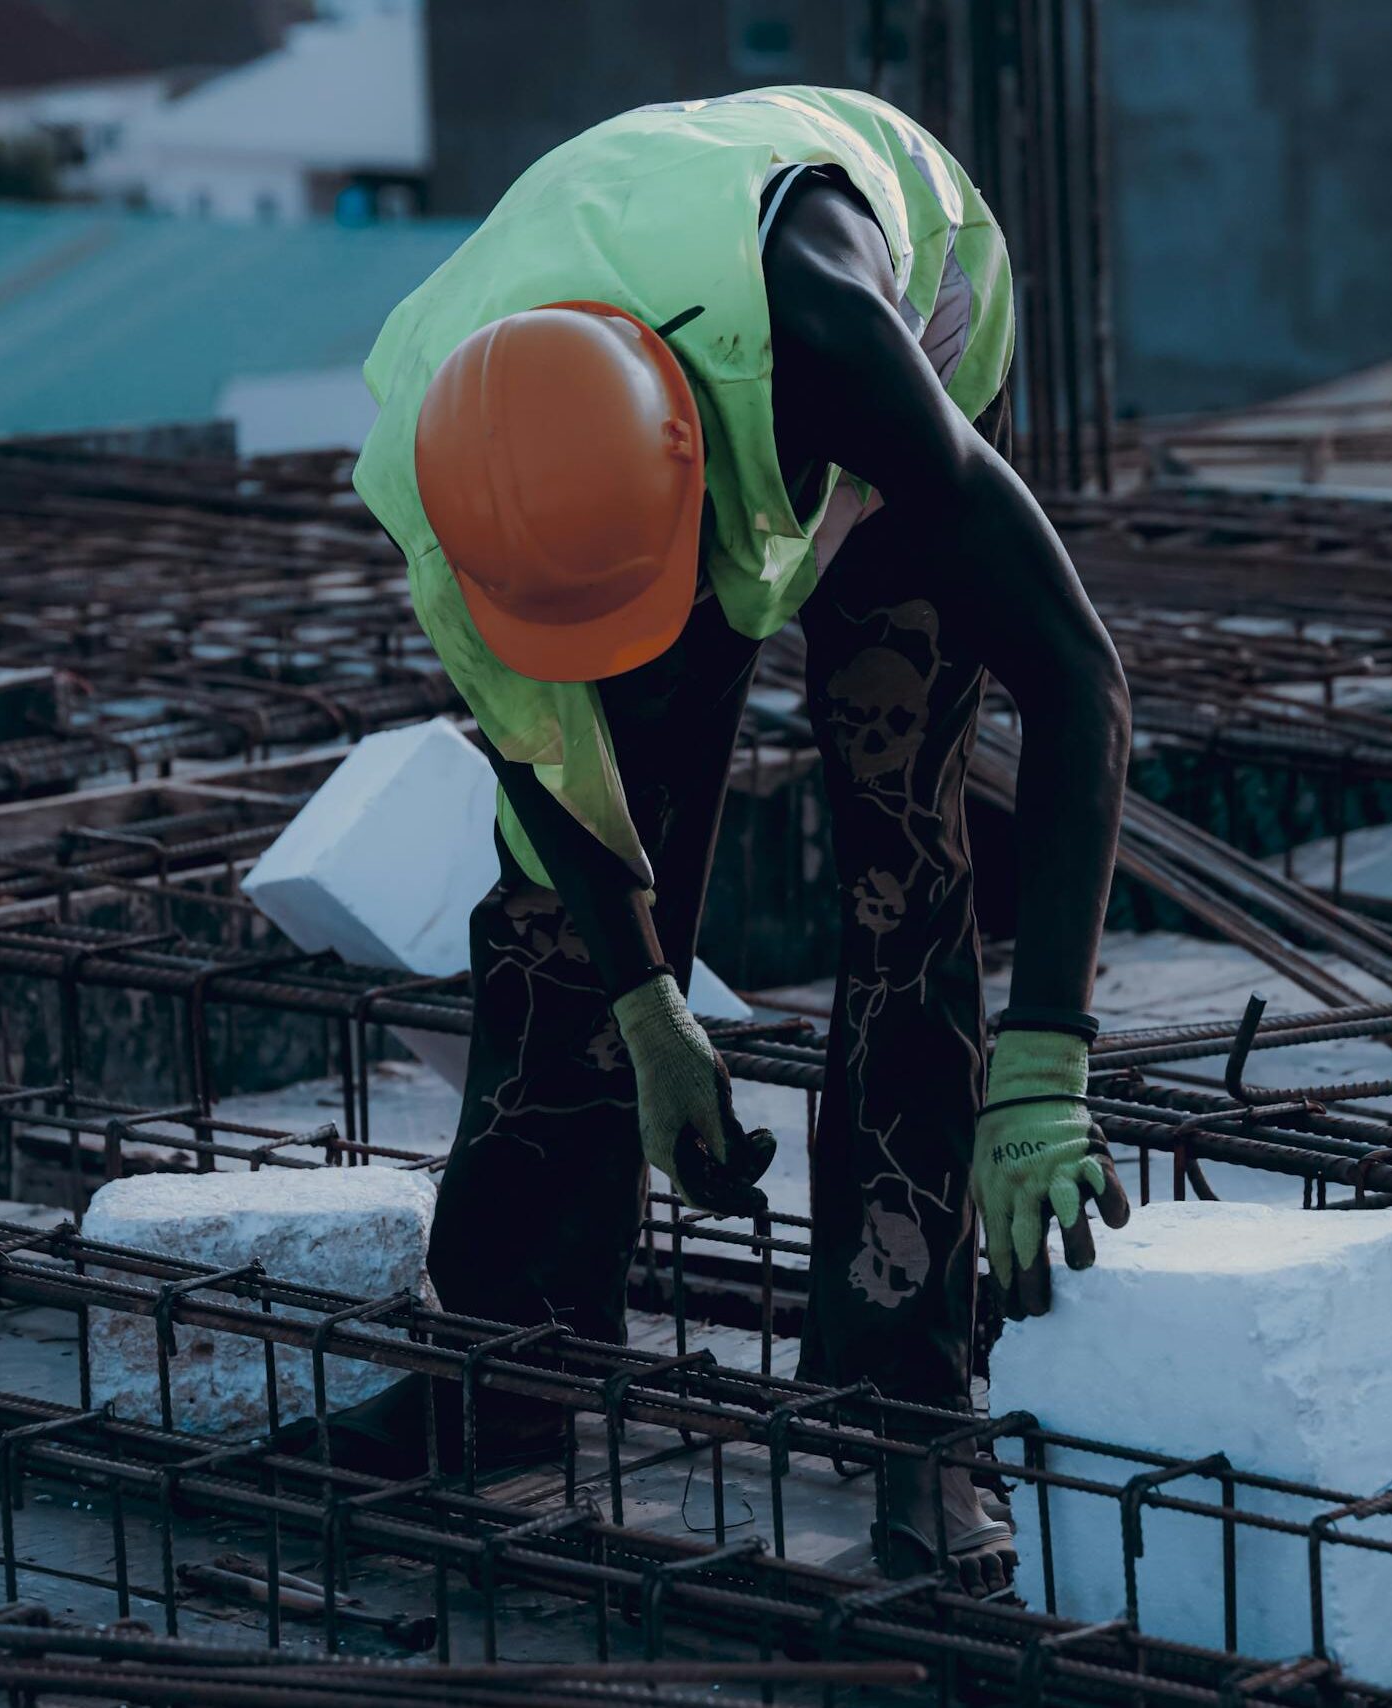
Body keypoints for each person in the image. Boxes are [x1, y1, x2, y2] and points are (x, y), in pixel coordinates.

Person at [349, 85, 1132, 1597]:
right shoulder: (446, 479)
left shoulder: (843, 353)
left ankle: (904, 1405)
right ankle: (510, 1372)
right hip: (626, 417)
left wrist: (1050, 1062)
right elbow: (546, 765)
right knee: (547, 914)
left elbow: (1080, 677)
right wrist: (645, 1000)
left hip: (898, 351)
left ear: (695, 473)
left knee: (906, 860)